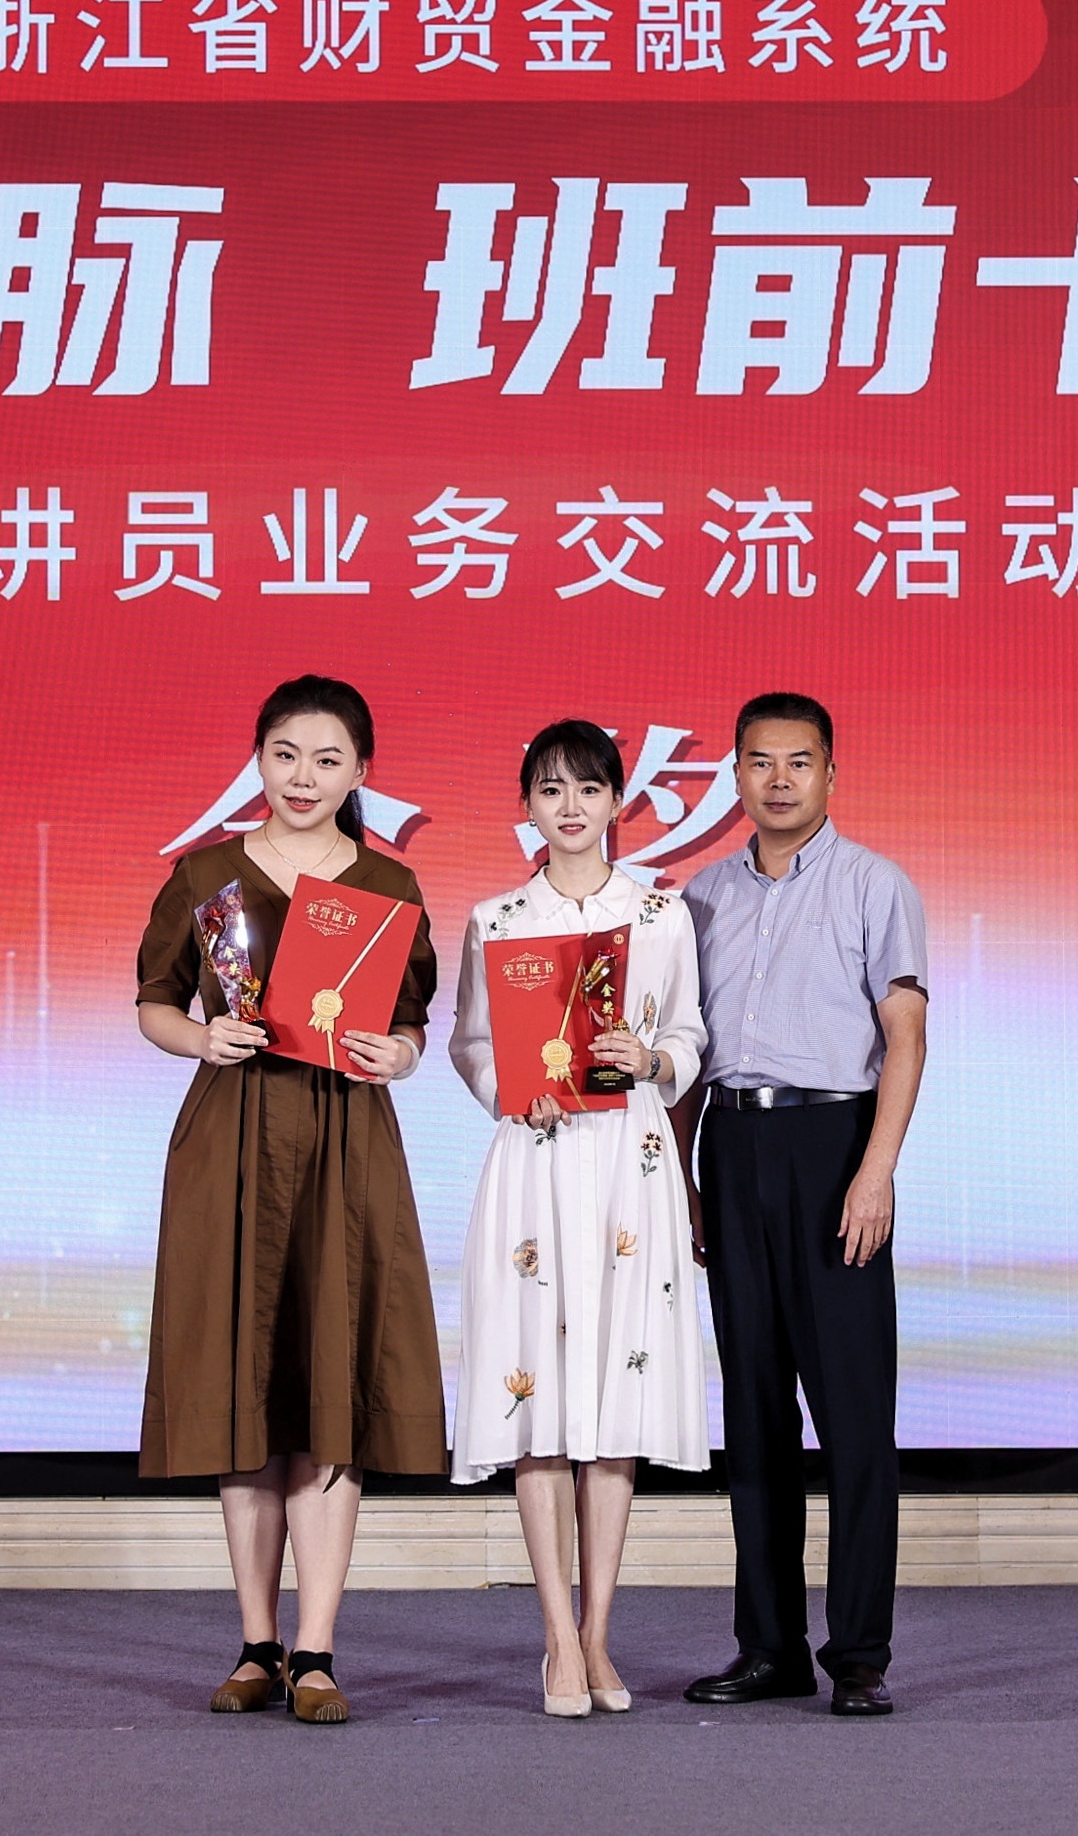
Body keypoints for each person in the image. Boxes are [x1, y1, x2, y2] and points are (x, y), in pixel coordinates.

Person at [133, 675, 444, 1727]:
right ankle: (255, 1642)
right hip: (231, 1140)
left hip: (344, 1145)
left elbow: (411, 1017)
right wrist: (200, 1035)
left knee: (330, 1389)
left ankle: (316, 1649)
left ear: (360, 771)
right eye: (284, 754)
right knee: (246, 1389)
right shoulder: (206, 874)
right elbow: (153, 1000)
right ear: (257, 759)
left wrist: (398, 1053)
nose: (303, 777)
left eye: (327, 759)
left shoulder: (388, 884)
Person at [445, 718, 711, 1718]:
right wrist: (509, 1090)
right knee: (541, 1398)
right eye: (550, 788)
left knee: (614, 1400)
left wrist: (654, 1059)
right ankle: (557, 1635)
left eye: (589, 788)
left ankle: (600, 1632)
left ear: (617, 801)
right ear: (526, 803)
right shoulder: (497, 918)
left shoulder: (660, 912)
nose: (570, 806)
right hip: (537, 1162)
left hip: (629, 1164)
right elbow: (472, 1042)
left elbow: (689, 1031)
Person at [680, 691, 927, 1719]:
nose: (778, 779)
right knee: (753, 1413)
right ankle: (769, 1646)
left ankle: (858, 1653)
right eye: (759, 761)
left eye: (799, 761)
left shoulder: (875, 883)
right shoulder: (698, 896)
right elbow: (684, 1050)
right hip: (731, 1143)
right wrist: (683, 1176)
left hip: (834, 1147)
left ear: (831, 773)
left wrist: (876, 1171)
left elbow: (905, 1036)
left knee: (855, 1414)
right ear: (734, 774)